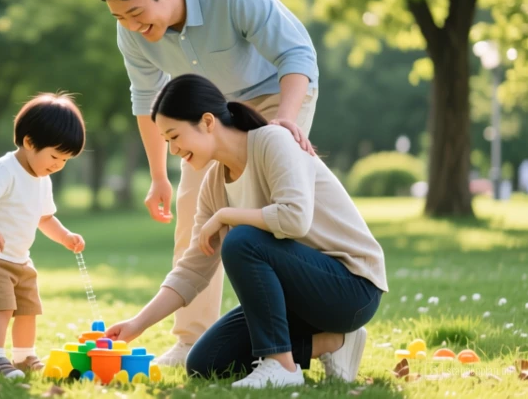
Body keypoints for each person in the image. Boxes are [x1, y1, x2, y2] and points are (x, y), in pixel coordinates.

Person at [92, 0, 320, 365]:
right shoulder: (131, 31)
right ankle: (188, 341)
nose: (129, 25)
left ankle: (314, 334)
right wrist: (159, 176)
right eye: (119, 17)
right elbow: (146, 100)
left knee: (278, 210)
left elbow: (297, 55)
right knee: (195, 212)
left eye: (135, 13)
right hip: (206, 116)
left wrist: (285, 122)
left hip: (276, 96)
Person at [105, 75, 387, 389]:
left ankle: (282, 366)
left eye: (174, 136)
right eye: (166, 141)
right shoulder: (214, 184)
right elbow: (192, 270)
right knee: (205, 363)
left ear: (207, 121)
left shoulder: (272, 141)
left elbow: (295, 219)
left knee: (242, 240)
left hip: (351, 288)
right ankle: (332, 342)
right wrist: (136, 325)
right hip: (300, 298)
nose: (172, 149)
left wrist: (228, 216)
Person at [0, 93, 87, 378]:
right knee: (2, 307)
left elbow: (45, 217)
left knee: (28, 309)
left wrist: (65, 236)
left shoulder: (43, 179)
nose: (58, 165)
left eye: (65, 160)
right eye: (55, 156)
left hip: (19, 258)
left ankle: (24, 356)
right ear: (29, 142)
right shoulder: (4, 170)